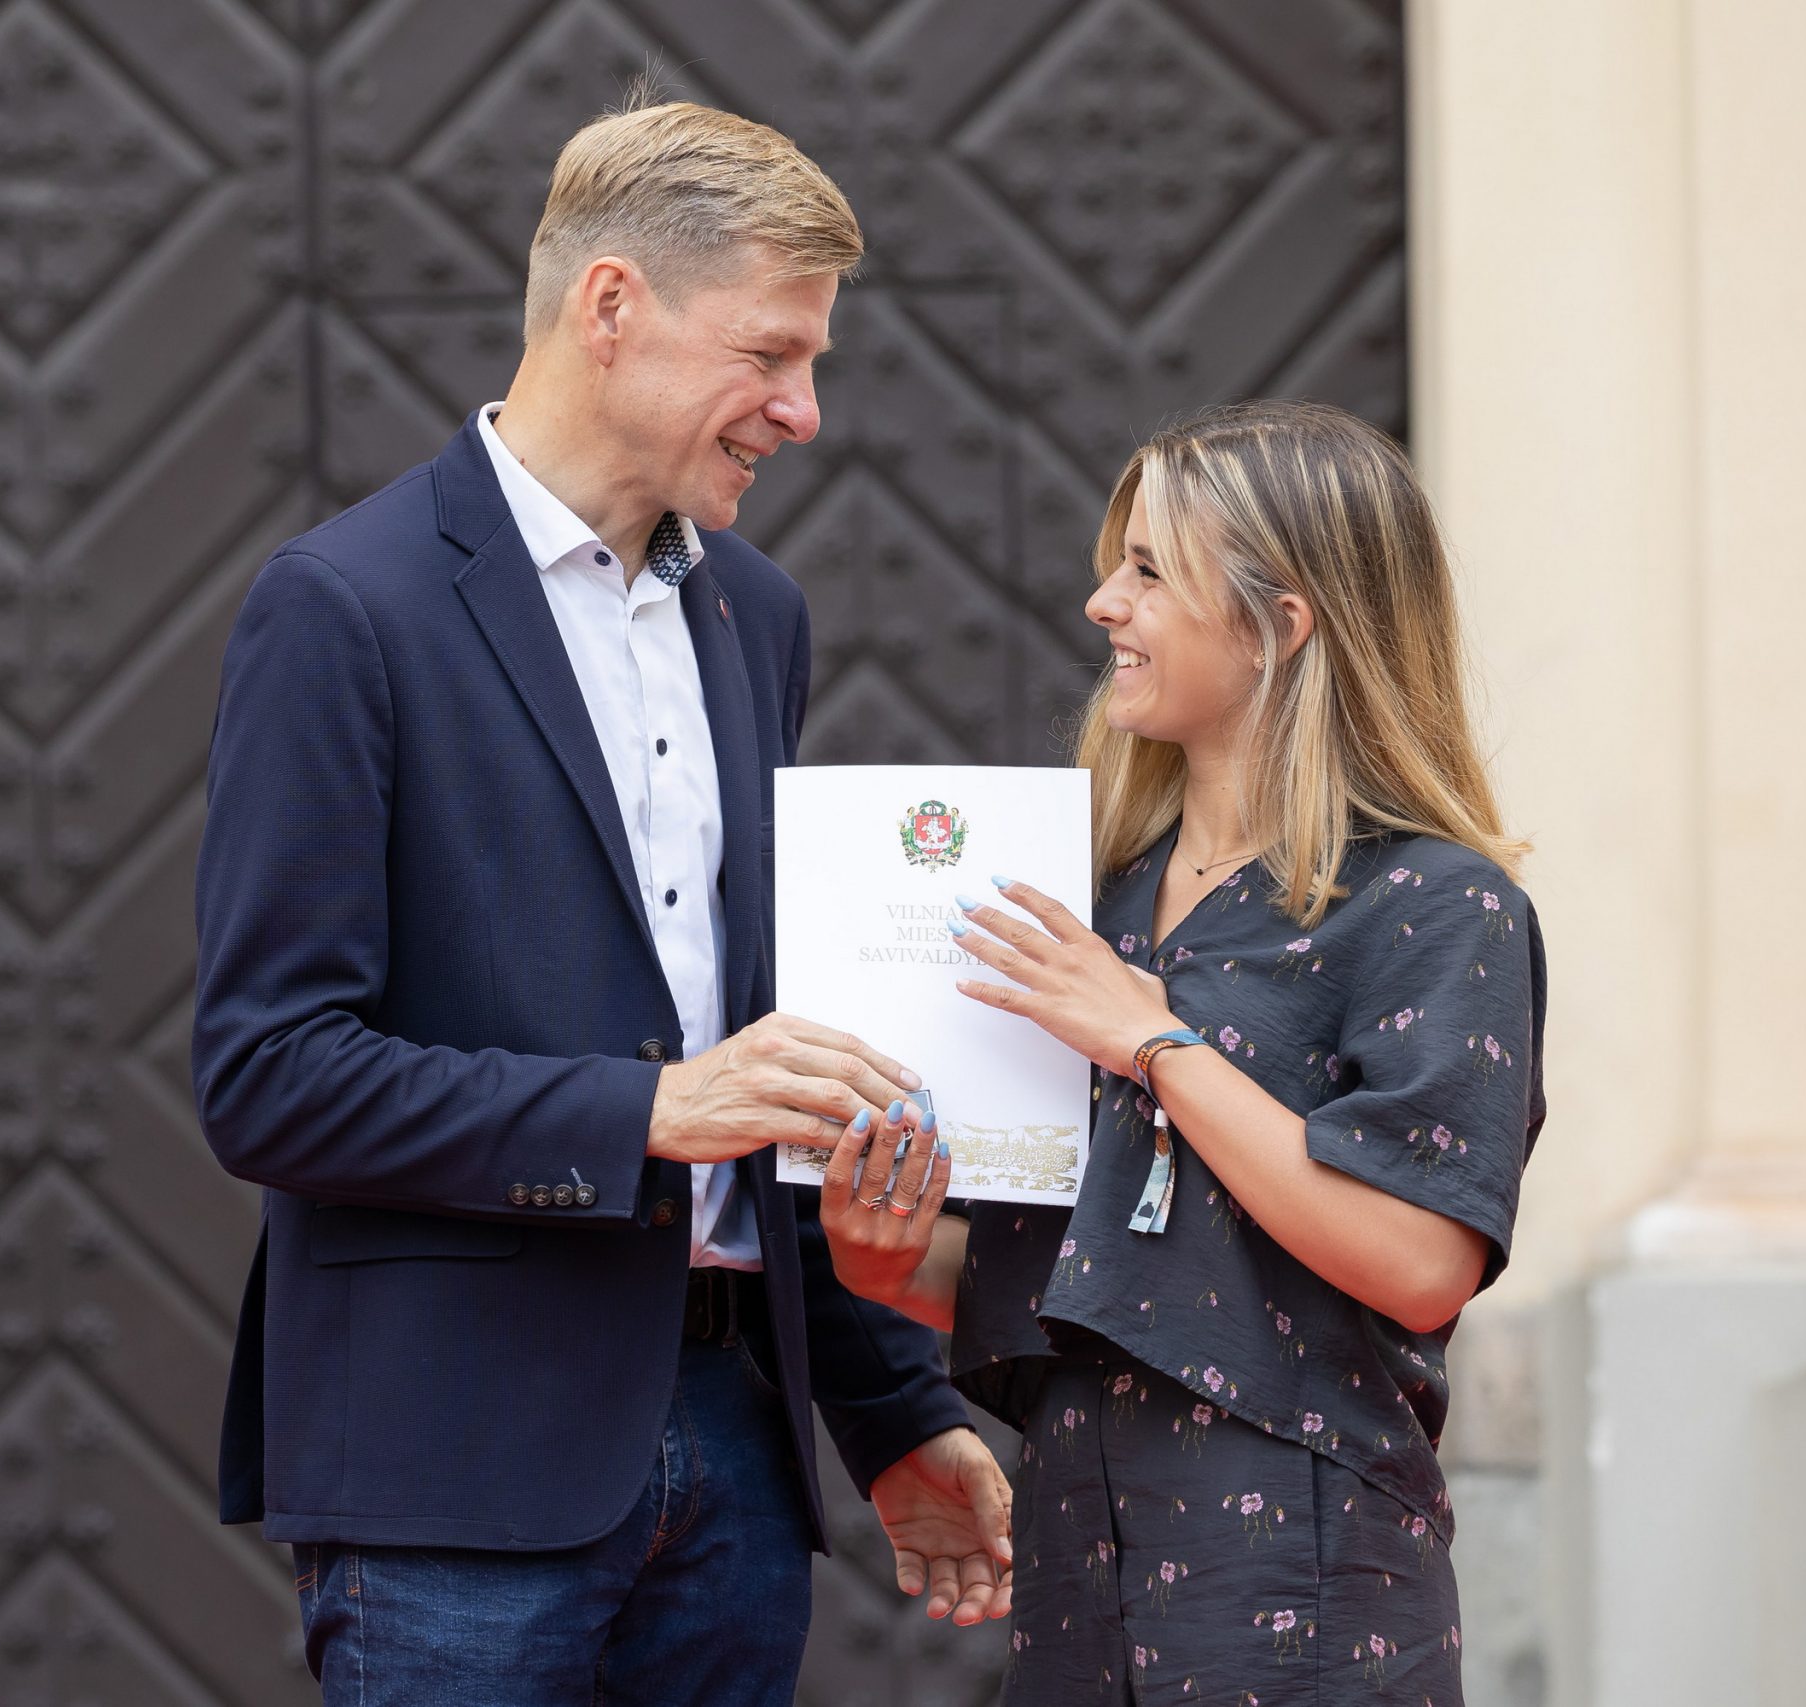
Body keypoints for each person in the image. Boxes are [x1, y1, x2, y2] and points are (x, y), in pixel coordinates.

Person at [191, 97, 1012, 1706]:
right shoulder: (341, 608)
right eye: (772, 354)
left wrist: (894, 1413)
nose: (805, 411)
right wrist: (648, 1113)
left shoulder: (758, 615)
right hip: (455, 1483)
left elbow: (768, 1063)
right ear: (612, 305)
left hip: (738, 1464)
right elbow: (269, 1076)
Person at [819, 400, 1546, 1705]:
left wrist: (1155, 1043)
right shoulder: (1089, 906)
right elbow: (1088, 1273)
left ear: (1283, 623)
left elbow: (1422, 1263)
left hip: (1306, 1584)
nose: (1104, 602)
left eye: (1150, 570)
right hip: (1075, 1571)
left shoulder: (1437, 903)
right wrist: (885, 1260)